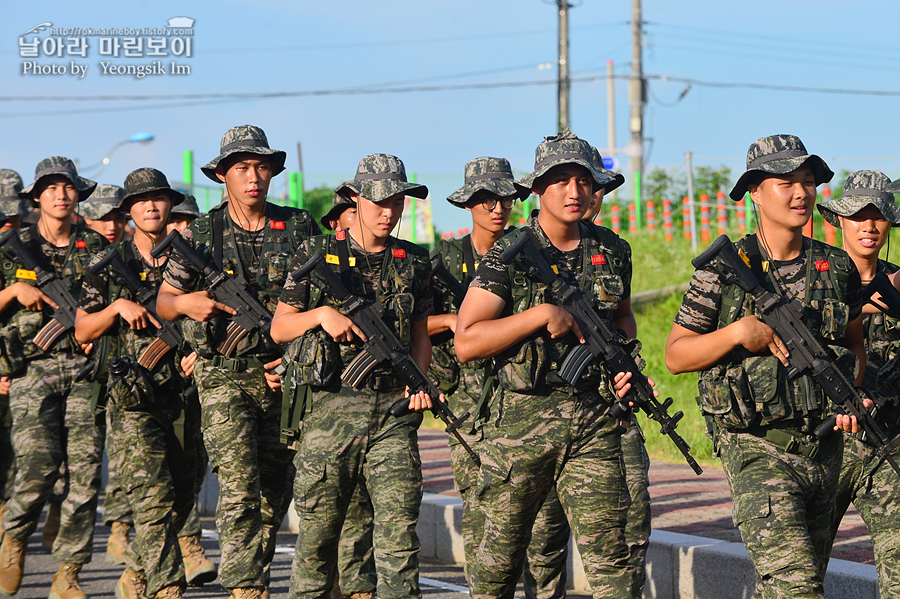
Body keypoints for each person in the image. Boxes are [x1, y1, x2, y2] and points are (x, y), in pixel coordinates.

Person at [665, 134, 866, 598]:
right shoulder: (724, 268)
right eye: (786, 182)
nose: (801, 193)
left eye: (809, 182)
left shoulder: (836, 267)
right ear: (755, 191)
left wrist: (847, 392)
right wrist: (737, 333)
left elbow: (855, 346)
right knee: (795, 587)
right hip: (757, 449)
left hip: (824, 450)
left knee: (793, 583)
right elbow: (676, 354)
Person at [454, 129, 638, 599]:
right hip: (520, 427)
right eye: (560, 181)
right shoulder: (508, 252)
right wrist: (537, 315)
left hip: (595, 422)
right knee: (496, 570)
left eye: (582, 181)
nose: (574, 192)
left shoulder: (613, 249)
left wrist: (625, 364)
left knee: (614, 562)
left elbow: (623, 318)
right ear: (537, 189)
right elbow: (468, 340)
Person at [156, 125, 320, 599]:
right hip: (223, 374)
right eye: (243, 168)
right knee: (239, 484)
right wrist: (188, 305)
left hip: (283, 373)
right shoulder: (202, 232)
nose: (254, 178)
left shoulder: (300, 227)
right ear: (223, 175)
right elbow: (165, 300)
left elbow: (321, 296)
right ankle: (246, 589)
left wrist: (291, 359)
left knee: (276, 487)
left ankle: (256, 570)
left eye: (261, 168)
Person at [271, 153, 434, 599]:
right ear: (355, 199)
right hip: (330, 411)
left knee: (399, 536)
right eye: (379, 201)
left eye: (398, 200)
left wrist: (418, 381)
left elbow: (421, 331)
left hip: (393, 417)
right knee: (319, 538)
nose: (389, 211)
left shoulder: (413, 260)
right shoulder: (315, 253)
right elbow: (280, 326)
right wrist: (320, 314)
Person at [429, 155, 577, 599]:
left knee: (547, 526)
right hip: (468, 405)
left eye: (505, 199)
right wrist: (457, 321)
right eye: (486, 200)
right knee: (485, 522)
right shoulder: (448, 258)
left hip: (524, 404)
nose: (497, 208)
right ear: (468, 204)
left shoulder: (533, 253)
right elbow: (421, 324)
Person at [75, 168, 198, 599]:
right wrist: (117, 307)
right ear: (127, 210)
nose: (150, 206)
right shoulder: (108, 264)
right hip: (132, 398)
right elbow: (83, 330)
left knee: (184, 494)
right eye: (140, 200)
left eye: (158, 198)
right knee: (151, 496)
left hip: (186, 395)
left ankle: (140, 572)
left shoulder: (193, 259)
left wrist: (201, 348)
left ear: (169, 205)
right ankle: (167, 587)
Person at [0, 157, 107, 599]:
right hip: (32, 371)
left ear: (79, 194)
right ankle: (15, 538)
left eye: (68, 187)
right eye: (51, 187)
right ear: (37, 197)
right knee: (38, 469)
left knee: (83, 474)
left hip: (84, 370)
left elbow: (114, 305)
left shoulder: (97, 249)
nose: (61, 194)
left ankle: (69, 573)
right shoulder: (13, 247)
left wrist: (94, 331)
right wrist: (11, 292)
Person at [817, 171, 900, 599]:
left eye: (879, 217)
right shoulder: (816, 281)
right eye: (858, 216)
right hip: (825, 444)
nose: (869, 226)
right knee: (800, 571)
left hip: (888, 444)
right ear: (840, 221)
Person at [316, 190, 375, 599]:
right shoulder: (321, 265)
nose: (351, 220)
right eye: (346, 214)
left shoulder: (376, 268)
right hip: (324, 402)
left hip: (372, 406)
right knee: (325, 504)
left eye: (357, 211)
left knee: (362, 505)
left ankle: (353, 584)